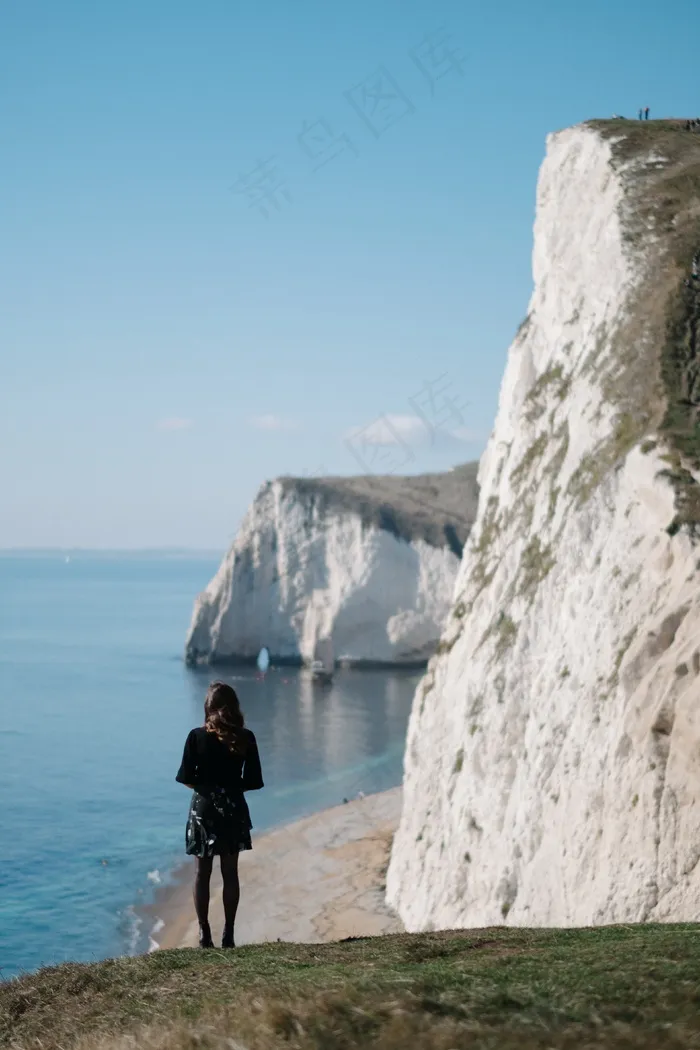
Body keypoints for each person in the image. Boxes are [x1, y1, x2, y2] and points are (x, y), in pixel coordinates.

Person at [176, 681, 264, 948]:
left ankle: (204, 933)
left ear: (208, 707)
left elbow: (185, 778)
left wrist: (207, 788)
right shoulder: (246, 737)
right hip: (233, 807)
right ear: (234, 707)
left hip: (203, 807)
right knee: (230, 873)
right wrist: (230, 788)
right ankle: (229, 933)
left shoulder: (195, 736)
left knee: (201, 873)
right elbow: (254, 781)